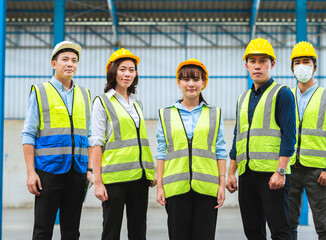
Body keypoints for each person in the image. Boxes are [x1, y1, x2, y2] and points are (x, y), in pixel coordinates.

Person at [226, 38, 296, 240]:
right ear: (246, 65)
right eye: (253, 60)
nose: (257, 65)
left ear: (272, 64)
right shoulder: (242, 98)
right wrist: (232, 173)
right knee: (253, 231)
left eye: (263, 61)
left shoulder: (282, 94)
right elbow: (237, 139)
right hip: (247, 175)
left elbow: (289, 137)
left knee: (280, 231)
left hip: (272, 176)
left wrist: (280, 172)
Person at [22, 41, 92, 239]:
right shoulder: (40, 91)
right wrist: (31, 173)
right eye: (65, 60)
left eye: (74, 60)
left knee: (72, 232)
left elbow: (88, 136)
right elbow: (28, 134)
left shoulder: (84, 94)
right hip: (48, 172)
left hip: (77, 172)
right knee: (43, 230)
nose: (70, 64)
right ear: (54, 63)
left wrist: (89, 169)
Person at [156, 59, 227, 240]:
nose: (191, 84)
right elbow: (161, 152)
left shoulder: (214, 113)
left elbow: (220, 151)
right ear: (179, 82)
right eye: (186, 79)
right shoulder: (166, 113)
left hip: (206, 189)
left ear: (203, 82)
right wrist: (160, 187)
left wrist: (221, 185)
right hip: (176, 188)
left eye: (196, 79)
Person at [90, 48, 155, 240]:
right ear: (113, 72)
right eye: (122, 69)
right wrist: (98, 181)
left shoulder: (137, 104)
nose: (127, 74)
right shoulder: (102, 102)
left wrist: (149, 172)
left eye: (132, 70)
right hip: (114, 180)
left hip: (139, 178)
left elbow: (141, 142)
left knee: (138, 232)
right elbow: (96, 143)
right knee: (111, 233)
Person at [288, 41, 326, 240]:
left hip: (317, 172)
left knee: (324, 228)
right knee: (287, 226)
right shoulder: (286, 96)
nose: (302, 66)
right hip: (289, 170)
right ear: (292, 68)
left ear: (315, 66)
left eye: (306, 62)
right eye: (297, 62)